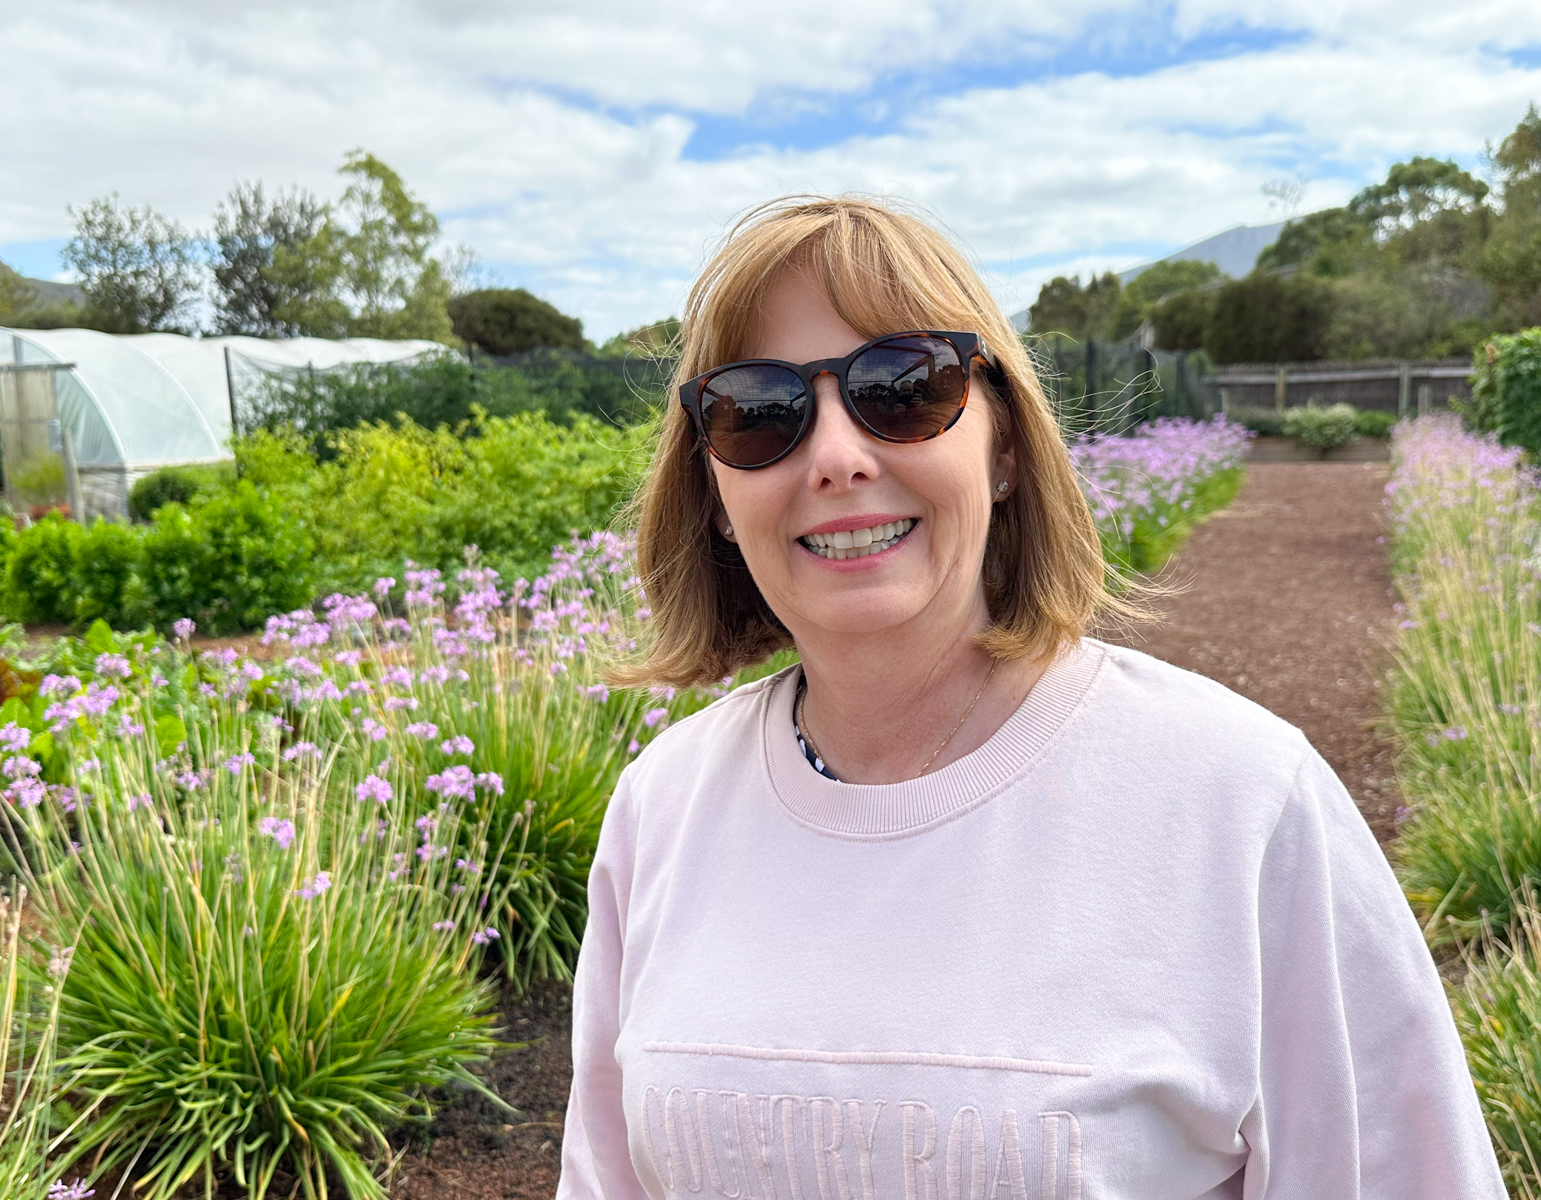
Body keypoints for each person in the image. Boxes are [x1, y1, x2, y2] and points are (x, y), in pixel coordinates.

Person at [555, 195, 1504, 1199]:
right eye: (758, 412)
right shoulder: (661, 808)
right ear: (711, 489)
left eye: (904, 387)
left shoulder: (1241, 801)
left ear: (1004, 447)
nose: (836, 457)